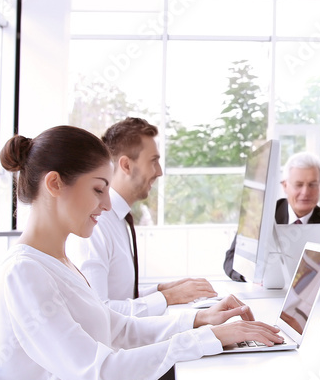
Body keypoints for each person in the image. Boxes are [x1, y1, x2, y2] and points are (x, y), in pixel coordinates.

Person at [0, 125, 283, 380]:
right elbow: (102, 369)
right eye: (97, 190)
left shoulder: (54, 263)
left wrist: (199, 320)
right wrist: (206, 340)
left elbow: (118, 326)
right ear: (54, 184)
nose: (106, 204)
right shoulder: (24, 273)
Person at [68, 117, 216, 318]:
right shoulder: (97, 223)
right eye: (153, 161)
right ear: (126, 165)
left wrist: (163, 290)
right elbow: (99, 310)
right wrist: (168, 297)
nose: (160, 172)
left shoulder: (118, 219)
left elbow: (121, 296)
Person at [223, 151, 320, 280]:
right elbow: (231, 261)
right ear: (285, 186)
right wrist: (252, 275)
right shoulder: (260, 215)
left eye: (312, 185)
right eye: (298, 185)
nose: (305, 192)